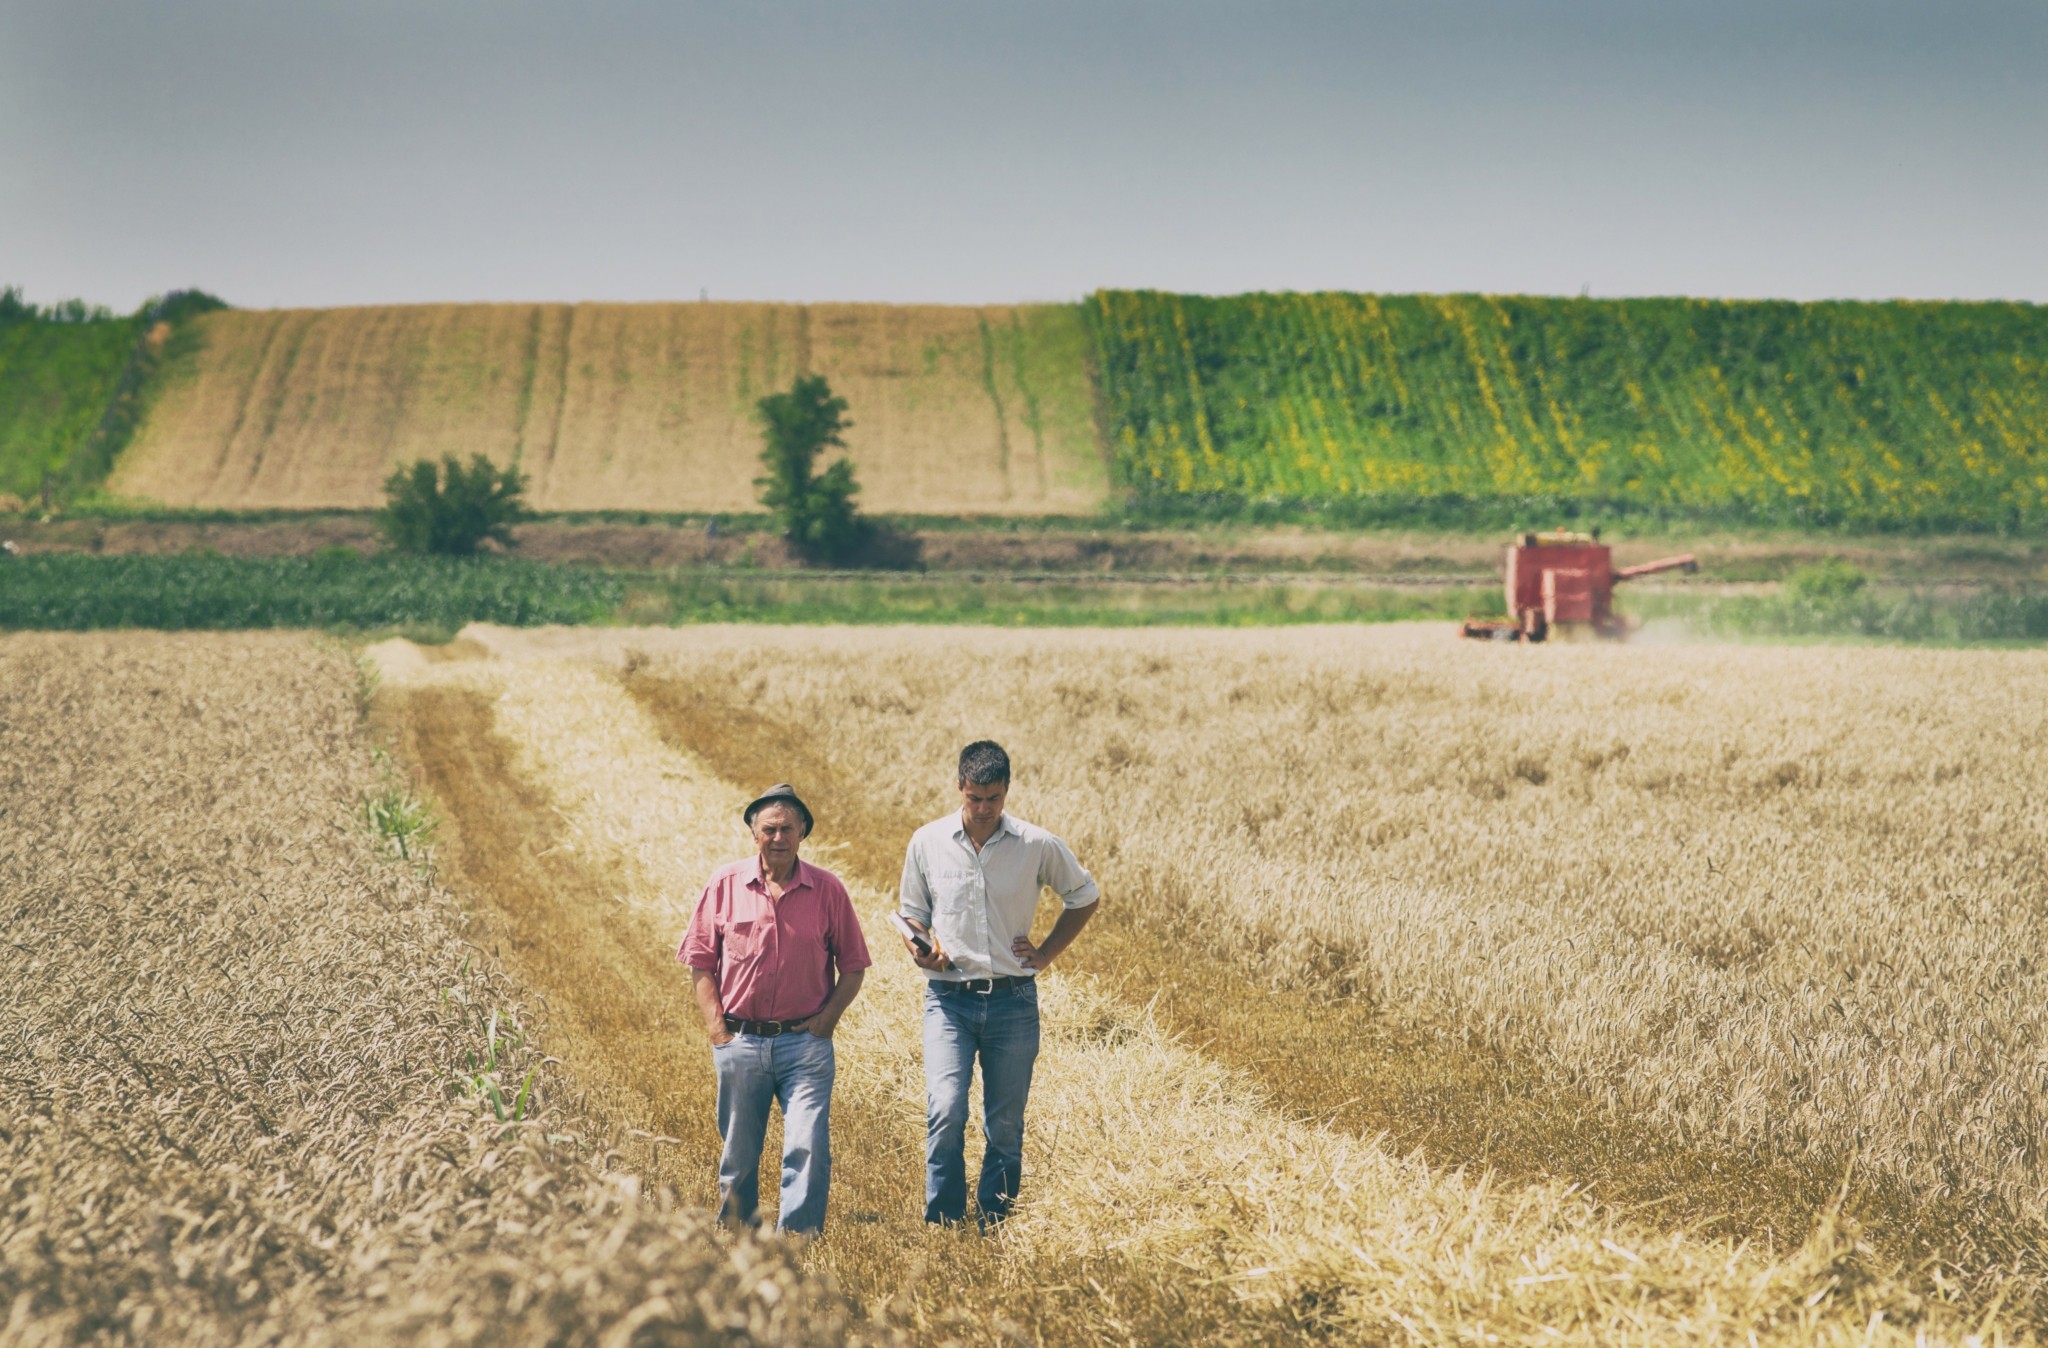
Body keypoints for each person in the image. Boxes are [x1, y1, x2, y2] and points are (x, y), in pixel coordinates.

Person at [897, 741, 1099, 1227]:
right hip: (948, 1000)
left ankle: (995, 1218)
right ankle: (943, 1218)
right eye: (974, 798)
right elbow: (911, 915)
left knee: (1005, 1123)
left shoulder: (1037, 844)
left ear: (1007, 789)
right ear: (959, 788)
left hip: (1014, 1002)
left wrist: (1046, 954)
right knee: (946, 1109)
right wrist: (923, 947)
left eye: (993, 798)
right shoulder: (927, 841)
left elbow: (1084, 897)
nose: (984, 809)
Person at [678, 783, 870, 1236]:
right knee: (740, 1151)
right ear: (753, 833)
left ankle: (798, 1242)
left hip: (805, 1046)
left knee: (806, 1144)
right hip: (741, 1041)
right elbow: (701, 962)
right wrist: (717, 1031)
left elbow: (855, 967)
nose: (778, 837)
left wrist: (825, 1023)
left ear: (803, 832)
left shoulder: (828, 890)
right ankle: (737, 1233)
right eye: (769, 829)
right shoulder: (724, 884)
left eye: (788, 828)